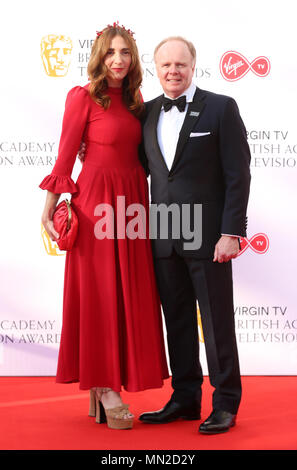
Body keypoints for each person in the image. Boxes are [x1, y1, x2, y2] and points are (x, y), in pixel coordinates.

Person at [40, 23, 169, 430]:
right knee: (98, 294)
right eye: (111, 52)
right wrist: (49, 207)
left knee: (124, 292)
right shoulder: (82, 96)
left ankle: (107, 384)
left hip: (131, 203)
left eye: (125, 52)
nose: (118, 60)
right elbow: (65, 156)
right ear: (99, 56)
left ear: (133, 58)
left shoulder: (136, 101)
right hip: (95, 206)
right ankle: (105, 386)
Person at [136, 37, 251, 434]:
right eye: (166, 64)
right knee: (178, 322)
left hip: (210, 238)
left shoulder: (221, 108)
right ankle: (185, 397)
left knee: (217, 324)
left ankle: (225, 403)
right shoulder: (147, 113)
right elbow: (135, 169)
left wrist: (231, 232)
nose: (173, 71)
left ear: (193, 65)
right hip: (164, 237)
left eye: (180, 64)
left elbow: (238, 175)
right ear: (156, 68)